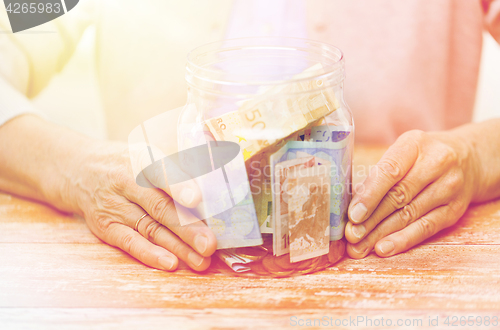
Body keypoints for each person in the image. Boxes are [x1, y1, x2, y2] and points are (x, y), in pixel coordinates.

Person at [1, 0, 499, 272]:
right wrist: (72, 168)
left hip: (386, 267)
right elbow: (11, 28)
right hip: (159, 274)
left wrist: (476, 156)